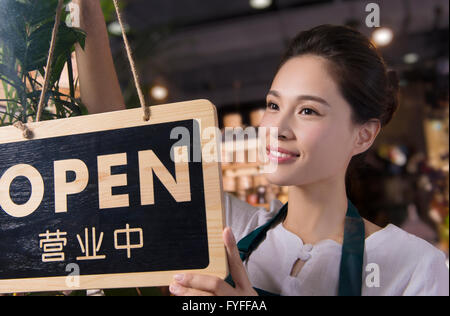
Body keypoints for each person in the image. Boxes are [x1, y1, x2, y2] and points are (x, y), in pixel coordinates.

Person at [73, 0, 449, 296]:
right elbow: (118, 140)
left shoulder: (413, 266)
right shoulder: (229, 230)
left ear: (363, 135)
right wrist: (87, 7)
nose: (277, 128)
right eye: (273, 105)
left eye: (308, 110)